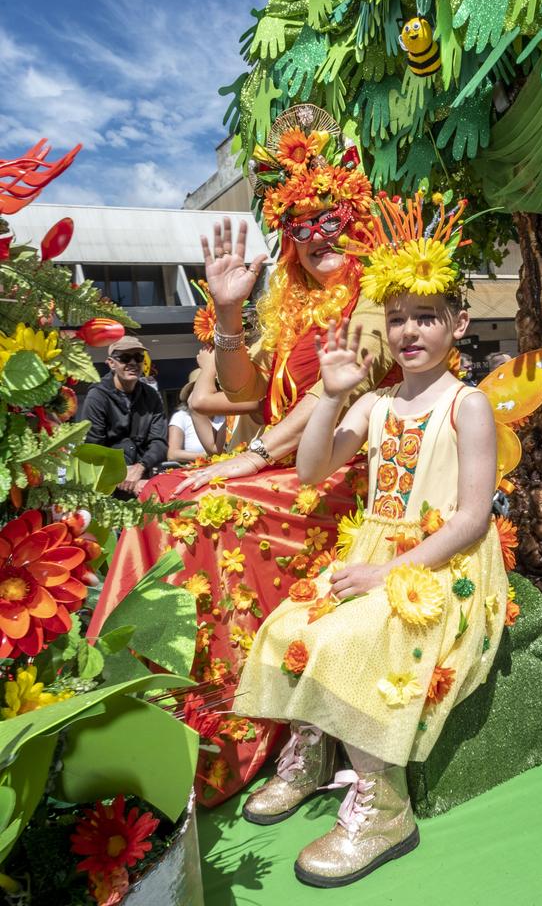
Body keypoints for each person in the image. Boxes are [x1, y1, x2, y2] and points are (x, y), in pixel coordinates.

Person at [87, 104, 399, 805]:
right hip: (285, 462)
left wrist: (252, 458)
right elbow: (244, 390)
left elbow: (336, 398)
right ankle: (137, 712)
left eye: (330, 215)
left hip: (345, 476)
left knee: (204, 509)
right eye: (299, 222)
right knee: (159, 497)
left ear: (356, 215)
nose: (317, 235)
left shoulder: (381, 296)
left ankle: (219, 730)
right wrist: (230, 316)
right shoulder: (288, 302)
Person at [234, 192, 507, 887]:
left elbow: (472, 517)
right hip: (373, 554)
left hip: (442, 563)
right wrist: (328, 394)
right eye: (398, 319)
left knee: (353, 638)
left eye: (426, 318)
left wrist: (391, 576)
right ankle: (309, 753)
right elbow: (311, 467)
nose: (410, 331)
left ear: (458, 324)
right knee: (289, 620)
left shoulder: (465, 404)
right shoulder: (374, 402)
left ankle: (385, 807)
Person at [81, 335, 168, 497]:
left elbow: (159, 442)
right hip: (106, 488)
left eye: (138, 357)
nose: (133, 363)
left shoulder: (151, 395)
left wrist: (140, 467)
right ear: (111, 363)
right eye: (125, 358)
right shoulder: (98, 396)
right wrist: (121, 476)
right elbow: (93, 449)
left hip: (143, 480)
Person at [167, 371, 226, 464]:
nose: (210, 390)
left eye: (214, 386)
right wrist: (206, 456)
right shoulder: (181, 416)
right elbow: (172, 454)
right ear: (191, 392)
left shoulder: (226, 415)